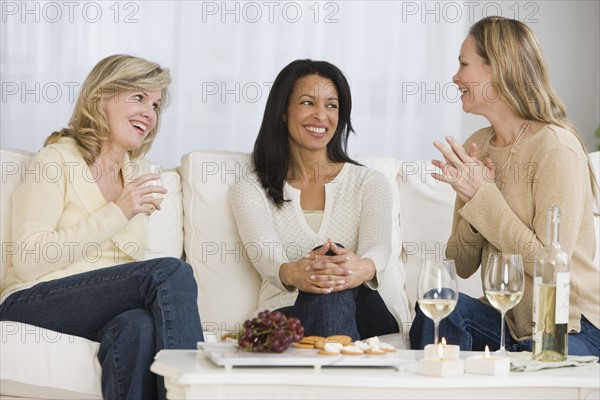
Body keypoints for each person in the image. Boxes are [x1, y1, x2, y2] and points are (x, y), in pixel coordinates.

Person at [0, 54, 204, 399]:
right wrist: (118, 210)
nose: (149, 114)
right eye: (138, 97)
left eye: (155, 105)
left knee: (137, 326)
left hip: (104, 307)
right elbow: (29, 259)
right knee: (172, 272)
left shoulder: (141, 173)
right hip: (34, 299)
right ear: (101, 98)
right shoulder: (54, 162)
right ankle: (197, 393)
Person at [410, 16, 599, 356]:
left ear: (498, 68)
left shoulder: (556, 148)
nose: (455, 77)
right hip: (507, 320)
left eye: (463, 64)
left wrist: (483, 198)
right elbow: (461, 265)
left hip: (571, 324)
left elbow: (549, 264)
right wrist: (471, 204)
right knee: (434, 314)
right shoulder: (478, 145)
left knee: (528, 358)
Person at [230, 59, 399, 341]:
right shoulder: (251, 188)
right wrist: (296, 273)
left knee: (333, 256)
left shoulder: (369, 182)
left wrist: (360, 268)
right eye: (308, 102)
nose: (321, 115)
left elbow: (378, 248)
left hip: (365, 314)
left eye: (332, 105)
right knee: (327, 270)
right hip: (287, 312)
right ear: (283, 111)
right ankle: (338, 370)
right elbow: (266, 256)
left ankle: (324, 372)